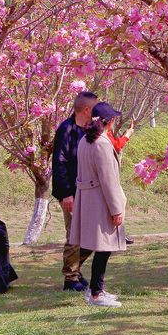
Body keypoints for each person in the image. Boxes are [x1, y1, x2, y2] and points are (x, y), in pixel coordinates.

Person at [69, 101, 129, 307]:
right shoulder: (102, 143)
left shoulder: (86, 140)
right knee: (103, 247)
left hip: (88, 198)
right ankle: (96, 294)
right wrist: (116, 209)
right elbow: (108, 179)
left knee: (101, 247)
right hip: (99, 200)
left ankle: (96, 289)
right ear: (109, 121)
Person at [51, 91, 99, 291]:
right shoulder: (66, 129)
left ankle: (75, 271)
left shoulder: (90, 129)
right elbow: (59, 163)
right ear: (86, 109)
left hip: (89, 191)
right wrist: (66, 194)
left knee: (93, 235)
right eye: (95, 108)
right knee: (75, 235)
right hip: (72, 192)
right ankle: (70, 279)